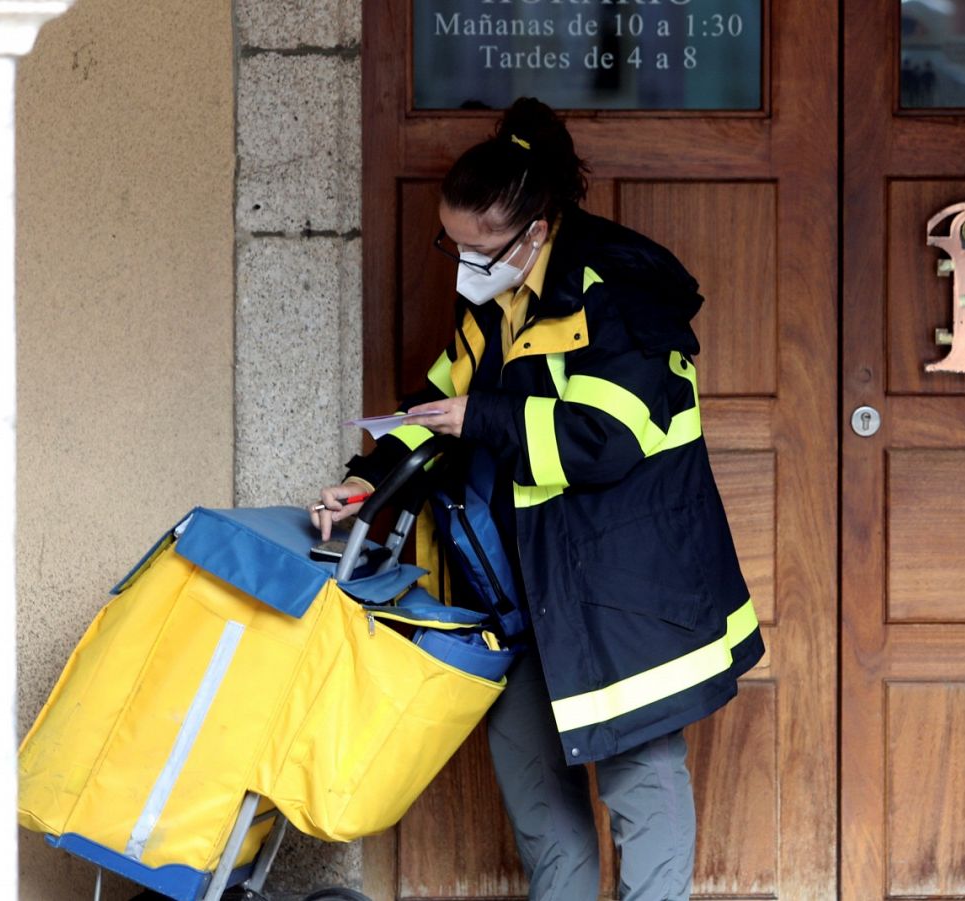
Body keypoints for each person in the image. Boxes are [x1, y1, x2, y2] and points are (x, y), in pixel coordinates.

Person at [311, 97, 762, 901]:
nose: (464, 265)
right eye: (453, 244)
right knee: (531, 777)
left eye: (479, 248)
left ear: (537, 230)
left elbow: (609, 434)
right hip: (528, 587)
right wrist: (368, 483)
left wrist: (481, 416)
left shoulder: (621, 290)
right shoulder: (496, 301)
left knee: (639, 775)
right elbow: (439, 402)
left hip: (627, 585)